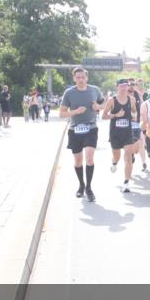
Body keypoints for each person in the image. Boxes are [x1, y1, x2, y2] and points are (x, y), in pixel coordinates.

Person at [59, 67, 105, 202]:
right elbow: (62, 114)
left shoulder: (94, 90)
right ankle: (81, 185)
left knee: (89, 158)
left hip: (91, 128)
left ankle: (89, 188)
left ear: (87, 78)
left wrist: (99, 107)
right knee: (78, 161)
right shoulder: (69, 93)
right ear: (74, 78)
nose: (80, 79)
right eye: (78, 77)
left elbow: (104, 104)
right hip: (75, 130)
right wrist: (75, 112)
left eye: (83, 77)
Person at [103, 79, 140, 193]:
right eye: (121, 86)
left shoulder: (132, 99)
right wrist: (115, 115)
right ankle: (114, 163)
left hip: (128, 132)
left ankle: (126, 182)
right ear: (117, 87)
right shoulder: (111, 100)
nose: (124, 88)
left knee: (128, 156)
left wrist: (134, 115)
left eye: (126, 86)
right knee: (117, 156)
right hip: (115, 133)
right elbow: (103, 116)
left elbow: (134, 112)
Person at [129, 78, 149, 173]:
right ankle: (131, 155)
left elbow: (142, 106)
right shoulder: (124, 95)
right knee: (130, 145)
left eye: (133, 84)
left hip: (137, 123)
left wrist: (140, 97)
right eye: (130, 84)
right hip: (127, 125)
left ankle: (144, 163)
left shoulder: (138, 94)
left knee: (141, 143)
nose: (132, 86)